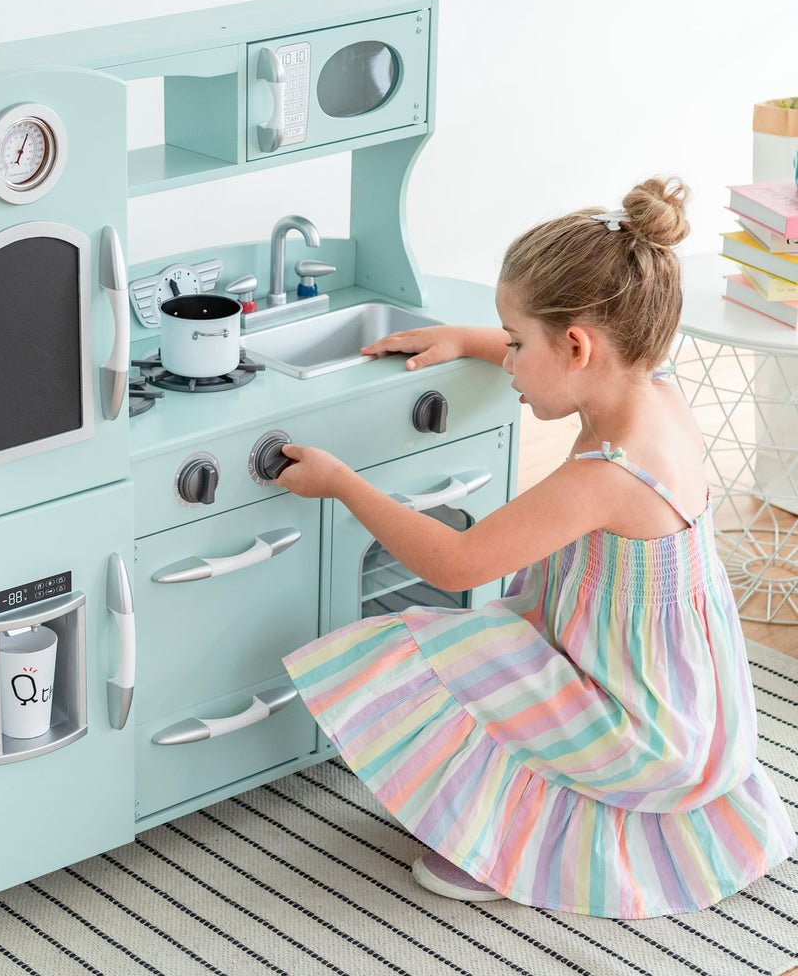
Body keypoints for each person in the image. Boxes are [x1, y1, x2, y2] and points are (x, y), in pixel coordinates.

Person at [276, 178, 796, 918]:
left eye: (516, 345)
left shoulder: (609, 474)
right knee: (499, 637)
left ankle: (508, 848)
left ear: (576, 346)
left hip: (636, 725)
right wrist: (467, 339)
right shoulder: (657, 393)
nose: (510, 362)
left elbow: (458, 563)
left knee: (423, 648)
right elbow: (577, 354)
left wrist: (343, 484)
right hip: (689, 705)